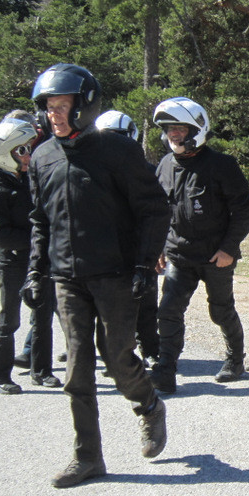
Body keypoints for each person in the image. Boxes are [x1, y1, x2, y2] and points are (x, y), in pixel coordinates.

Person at [24, 63, 171, 488]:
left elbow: (153, 209)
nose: (54, 114)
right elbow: (39, 221)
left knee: (119, 359)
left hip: (116, 275)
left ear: (84, 106)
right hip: (68, 279)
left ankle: (148, 406)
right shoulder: (42, 157)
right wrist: (36, 273)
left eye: (62, 105)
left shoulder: (116, 151)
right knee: (77, 371)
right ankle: (88, 457)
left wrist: (145, 264)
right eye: (49, 107)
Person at [148, 96, 249, 394]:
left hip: (215, 256)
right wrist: (157, 247)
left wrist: (229, 248)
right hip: (179, 256)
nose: (174, 134)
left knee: (220, 311)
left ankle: (235, 359)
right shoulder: (165, 166)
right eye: (169, 129)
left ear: (197, 129)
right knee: (168, 311)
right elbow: (158, 212)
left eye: (180, 128)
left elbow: (244, 210)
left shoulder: (222, 165)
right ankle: (165, 369)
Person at [0, 118, 61, 393]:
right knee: (10, 319)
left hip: (38, 259)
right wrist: (38, 239)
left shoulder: (30, 181)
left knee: (43, 315)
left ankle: (42, 371)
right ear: (4, 155)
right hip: (13, 261)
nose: (28, 156)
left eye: (28, 149)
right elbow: (1, 235)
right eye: (21, 151)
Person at [95, 109, 159, 368]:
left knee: (146, 302)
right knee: (105, 307)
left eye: (119, 136)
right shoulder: (89, 172)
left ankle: (151, 350)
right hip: (105, 249)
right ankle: (113, 355)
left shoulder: (148, 171)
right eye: (108, 137)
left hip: (140, 246)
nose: (114, 142)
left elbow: (159, 212)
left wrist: (157, 246)